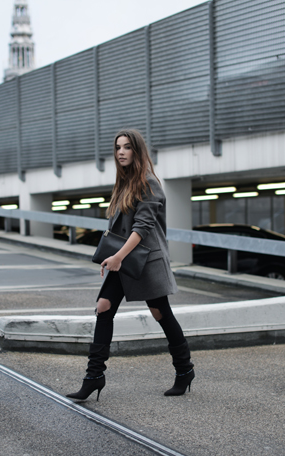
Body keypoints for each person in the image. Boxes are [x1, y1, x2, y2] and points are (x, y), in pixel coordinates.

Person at [67, 129, 195, 401]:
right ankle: (94, 376)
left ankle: (184, 370)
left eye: (126, 147)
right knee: (104, 307)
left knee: (160, 314)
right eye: (117, 147)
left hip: (145, 260)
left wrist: (117, 257)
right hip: (125, 260)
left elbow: (142, 227)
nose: (121, 152)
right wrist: (114, 256)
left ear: (137, 151)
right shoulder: (123, 183)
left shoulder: (149, 182)